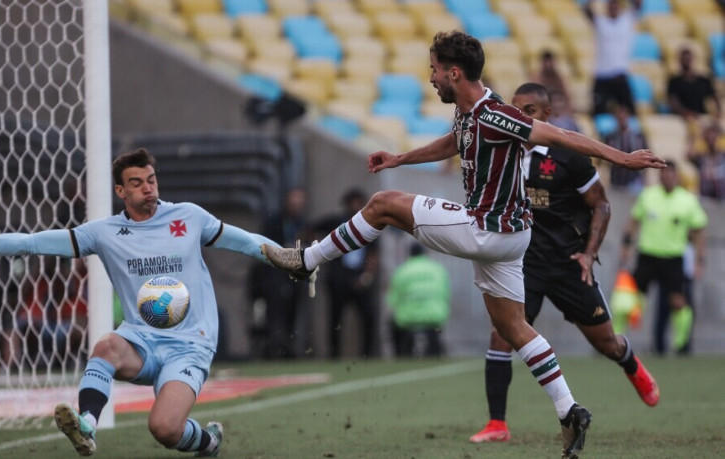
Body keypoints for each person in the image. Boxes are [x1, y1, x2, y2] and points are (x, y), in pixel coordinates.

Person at [261, 31, 665, 458]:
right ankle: (569, 410)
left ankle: (307, 259)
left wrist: (621, 158)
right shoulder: (467, 112)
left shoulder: (495, 113)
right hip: (512, 238)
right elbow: (454, 142)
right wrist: (401, 158)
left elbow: (556, 135)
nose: (431, 78)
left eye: (434, 69)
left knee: (382, 205)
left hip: (488, 230)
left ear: (454, 72)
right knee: (512, 328)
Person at [0, 148, 288, 457]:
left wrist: (292, 259)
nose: (148, 189)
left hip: (190, 344)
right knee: (106, 345)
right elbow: (32, 241)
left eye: (151, 180)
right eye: (137, 184)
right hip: (140, 339)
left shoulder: (189, 217)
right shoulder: (105, 232)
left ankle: (207, 441)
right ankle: (87, 426)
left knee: (164, 429)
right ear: (121, 192)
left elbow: (245, 242)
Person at [469, 83, 659, 444]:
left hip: (570, 262)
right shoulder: (503, 151)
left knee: (606, 343)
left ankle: (630, 362)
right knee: (503, 333)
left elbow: (600, 204)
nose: (521, 117)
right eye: (516, 109)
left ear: (546, 115)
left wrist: (588, 253)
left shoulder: (567, 156)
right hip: (525, 264)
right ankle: (497, 424)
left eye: (530, 110)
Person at [620, 161, 708, 356]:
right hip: (648, 255)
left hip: (673, 258)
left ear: (676, 177)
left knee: (678, 302)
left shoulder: (687, 200)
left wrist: (700, 260)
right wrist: (626, 245)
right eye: (664, 174)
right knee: (627, 299)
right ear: (659, 176)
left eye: (671, 174)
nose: (667, 177)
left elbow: (700, 230)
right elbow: (633, 221)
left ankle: (682, 345)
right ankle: (613, 342)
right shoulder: (648, 196)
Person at [312, 188, 380, 359]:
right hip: (338, 277)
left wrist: (367, 276)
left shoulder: (369, 224)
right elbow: (311, 230)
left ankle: (367, 354)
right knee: (335, 318)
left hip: (359, 276)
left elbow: (373, 254)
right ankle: (333, 354)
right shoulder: (335, 222)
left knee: (368, 316)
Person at [250, 187, 310, 359]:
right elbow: (266, 247)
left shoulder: (302, 223)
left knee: (293, 311)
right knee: (275, 314)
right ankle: (273, 350)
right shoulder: (274, 221)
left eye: (300, 201)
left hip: (295, 275)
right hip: (275, 275)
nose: (297, 205)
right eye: (294, 200)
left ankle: (288, 349)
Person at [386, 243, 450, 358]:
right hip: (433, 316)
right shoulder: (437, 269)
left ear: (409, 254)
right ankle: (435, 351)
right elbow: (445, 295)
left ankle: (401, 354)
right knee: (435, 333)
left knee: (393, 325)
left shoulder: (401, 270)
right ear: (424, 253)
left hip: (407, 318)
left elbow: (392, 300)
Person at [584, 0, 641, 114]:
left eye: (616, 6)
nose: (613, 9)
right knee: (598, 111)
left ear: (620, 8)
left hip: (620, 74)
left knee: (630, 112)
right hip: (602, 74)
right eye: (611, 6)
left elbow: (638, 4)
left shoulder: (626, 21)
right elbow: (587, 10)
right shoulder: (601, 22)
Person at [602, 105, 648, 193]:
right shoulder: (610, 137)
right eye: (619, 117)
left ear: (628, 117)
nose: (621, 120)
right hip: (615, 180)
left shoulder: (638, 137)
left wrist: (645, 179)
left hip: (634, 181)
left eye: (623, 116)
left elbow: (647, 157)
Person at [667, 48, 721, 121]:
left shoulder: (703, 81)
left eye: (688, 58)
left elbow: (714, 97)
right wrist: (684, 113)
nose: (686, 61)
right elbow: (673, 101)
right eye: (684, 58)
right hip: (682, 118)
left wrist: (718, 112)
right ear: (679, 60)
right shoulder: (674, 81)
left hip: (701, 116)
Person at [687, 122, 725, 200]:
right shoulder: (701, 159)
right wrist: (698, 136)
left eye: (714, 136)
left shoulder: (723, 156)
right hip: (706, 200)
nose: (711, 139)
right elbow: (689, 155)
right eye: (708, 137)